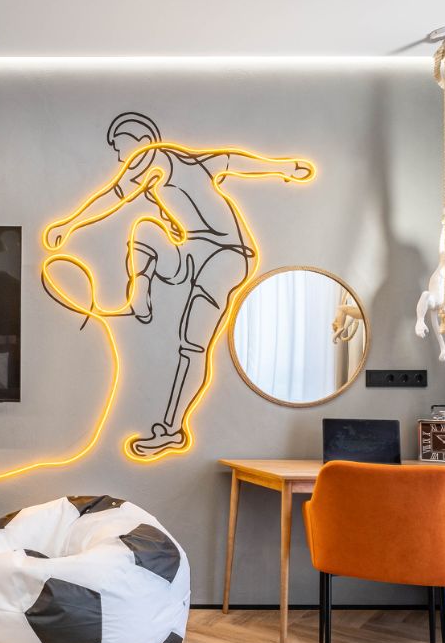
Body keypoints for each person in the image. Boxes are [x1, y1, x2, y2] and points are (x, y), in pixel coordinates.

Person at [43, 112, 314, 459]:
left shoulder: (155, 160)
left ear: (143, 142)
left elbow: (115, 195)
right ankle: (140, 299)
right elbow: (233, 161)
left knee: (193, 344)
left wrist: (69, 224)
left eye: (122, 147)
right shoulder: (191, 164)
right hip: (192, 250)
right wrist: (282, 167)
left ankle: (172, 429)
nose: (120, 158)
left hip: (229, 253)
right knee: (146, 229)